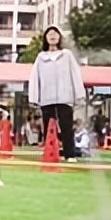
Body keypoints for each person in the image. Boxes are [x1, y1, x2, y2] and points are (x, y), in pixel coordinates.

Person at [28, 25, 85, 162]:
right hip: (46, 98)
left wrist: (79, 94)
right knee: (48, 128)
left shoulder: (67, 55)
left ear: (59, 37)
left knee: (66, 127)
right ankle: (50, 151)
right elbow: (35, 78)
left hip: (64, 97)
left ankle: (69, 154)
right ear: (45, 38)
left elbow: (75, 74)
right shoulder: (41, 58)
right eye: (49, 34)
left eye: (55, 34)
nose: (52, 36)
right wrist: (34, 97)